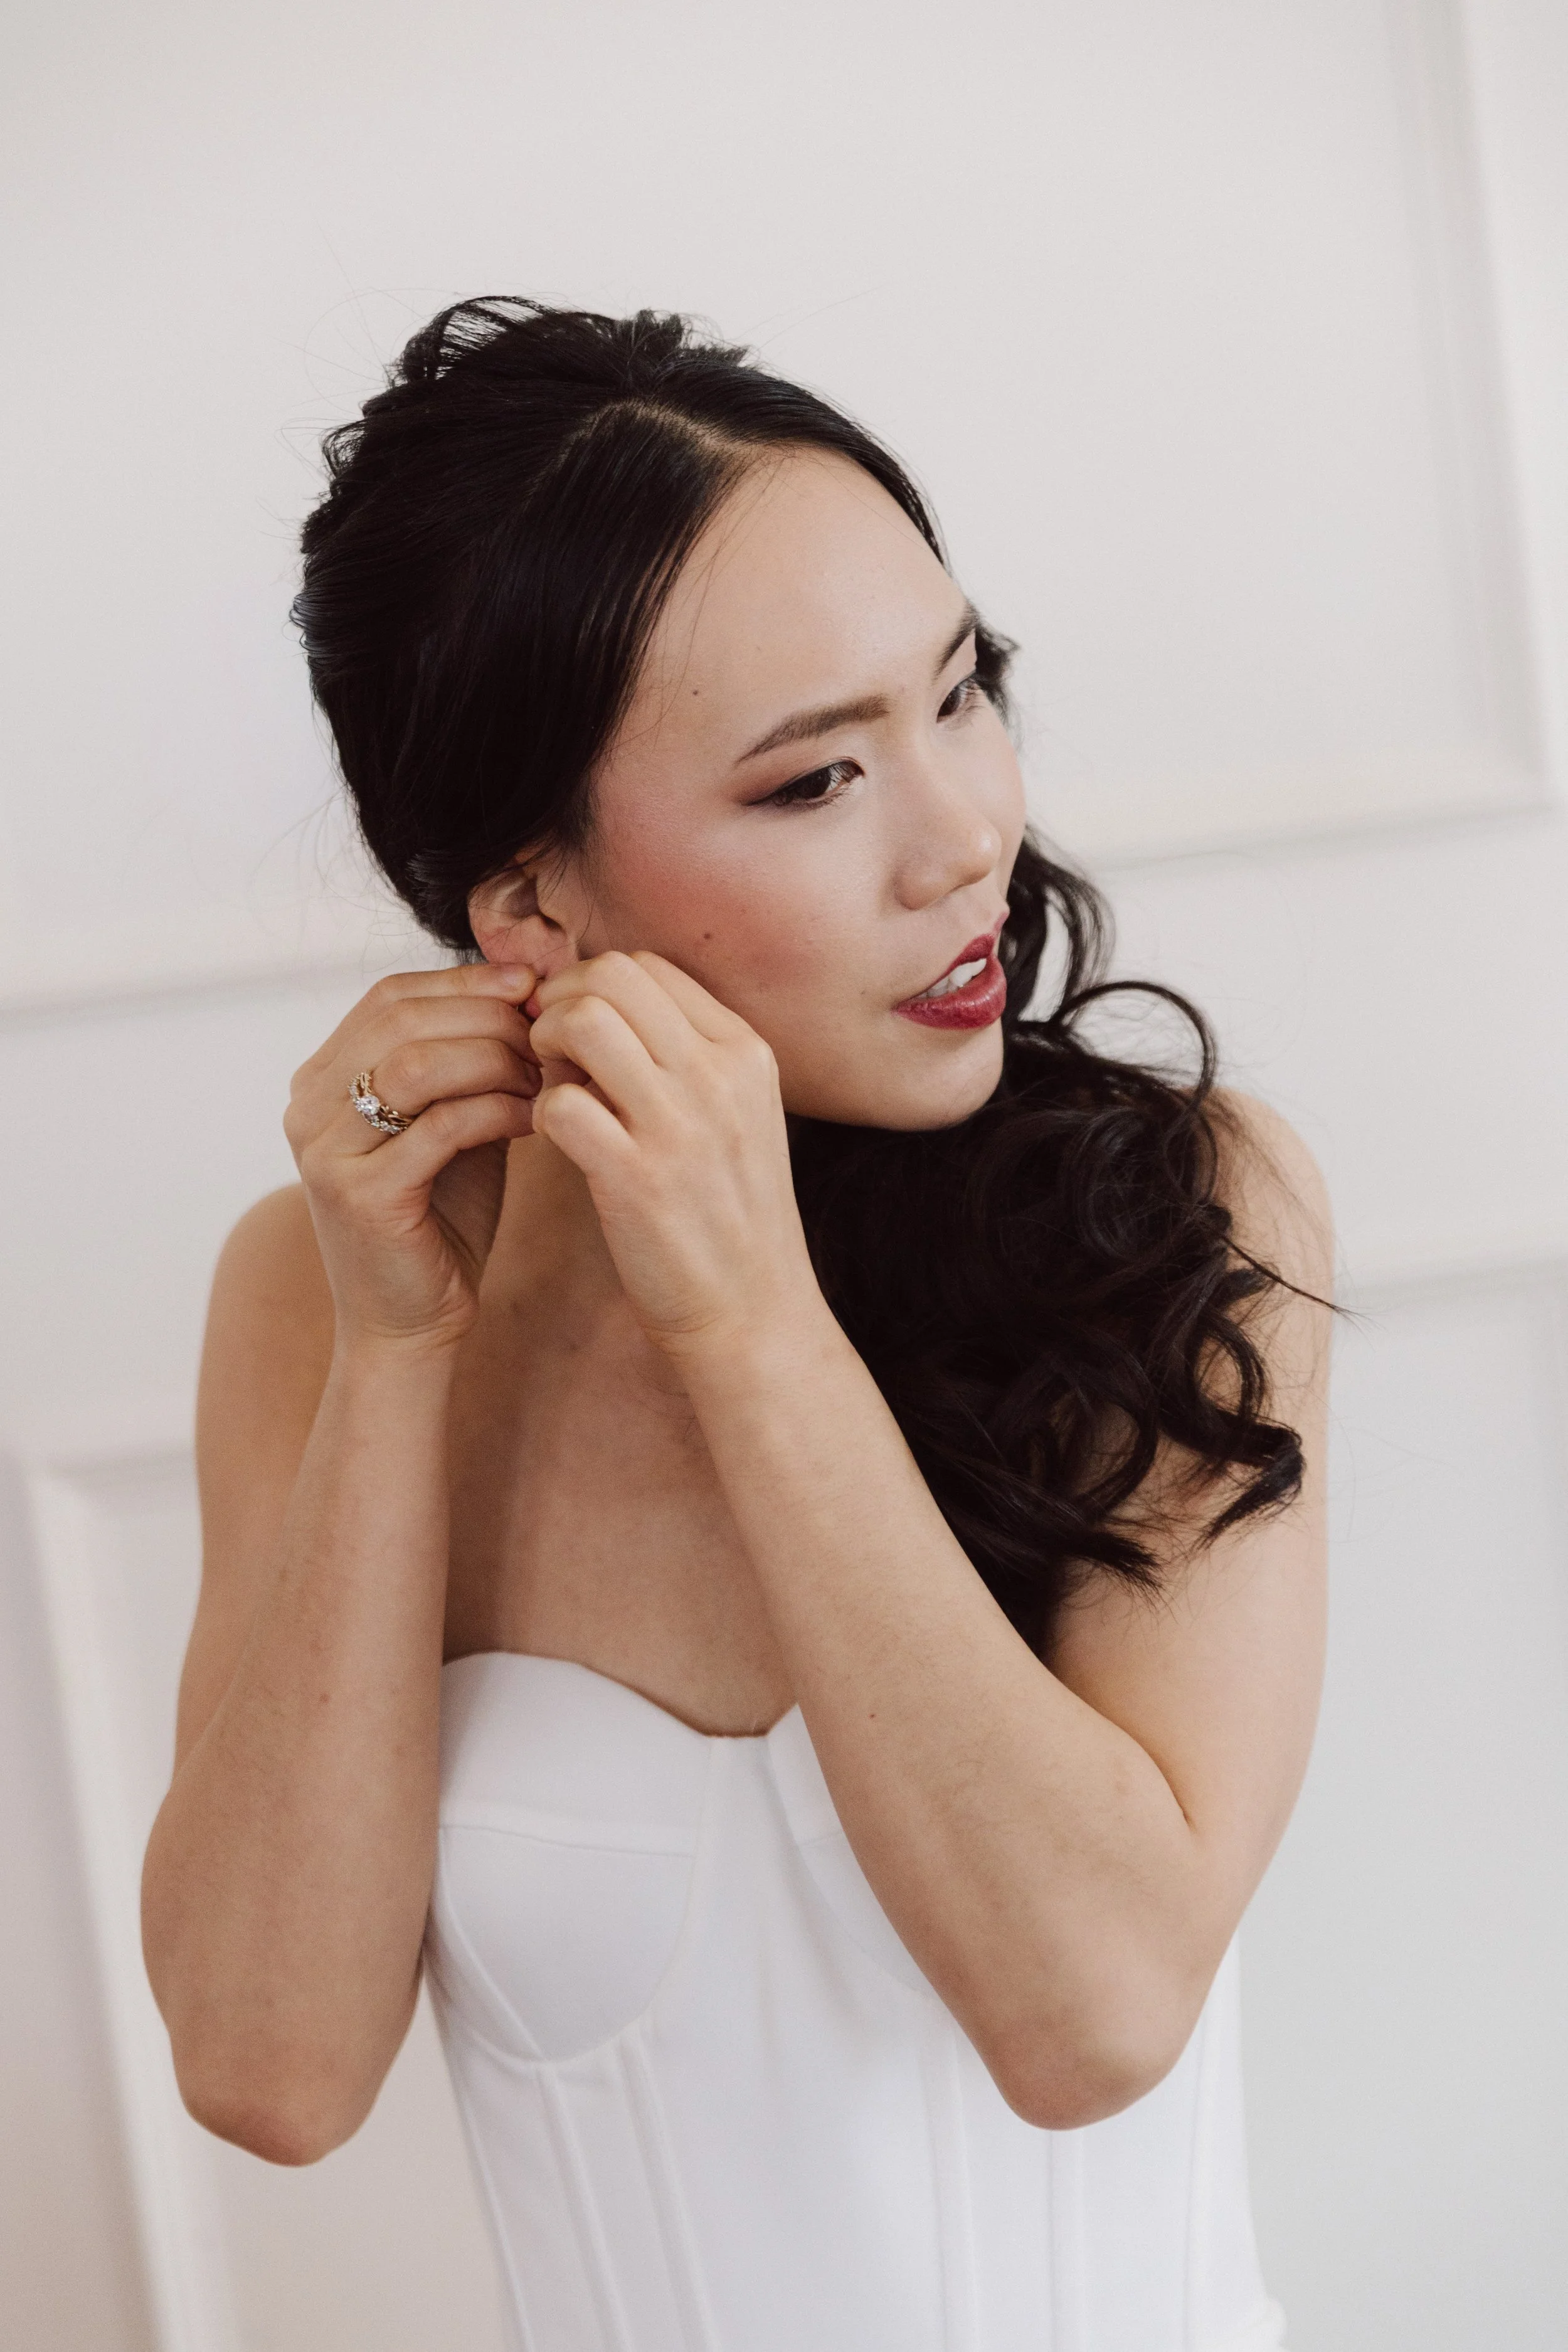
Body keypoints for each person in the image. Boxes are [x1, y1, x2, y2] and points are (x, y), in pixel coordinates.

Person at [142, 299, 1330, 2349]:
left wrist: (753, 1320)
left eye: (964, 696)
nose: (967, 836)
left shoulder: (1174, 1206)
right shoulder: (313, 1293)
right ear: (528, 908)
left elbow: (1093, 2015)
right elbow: (268, 2067)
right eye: (815, 781)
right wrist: (398, 1356)